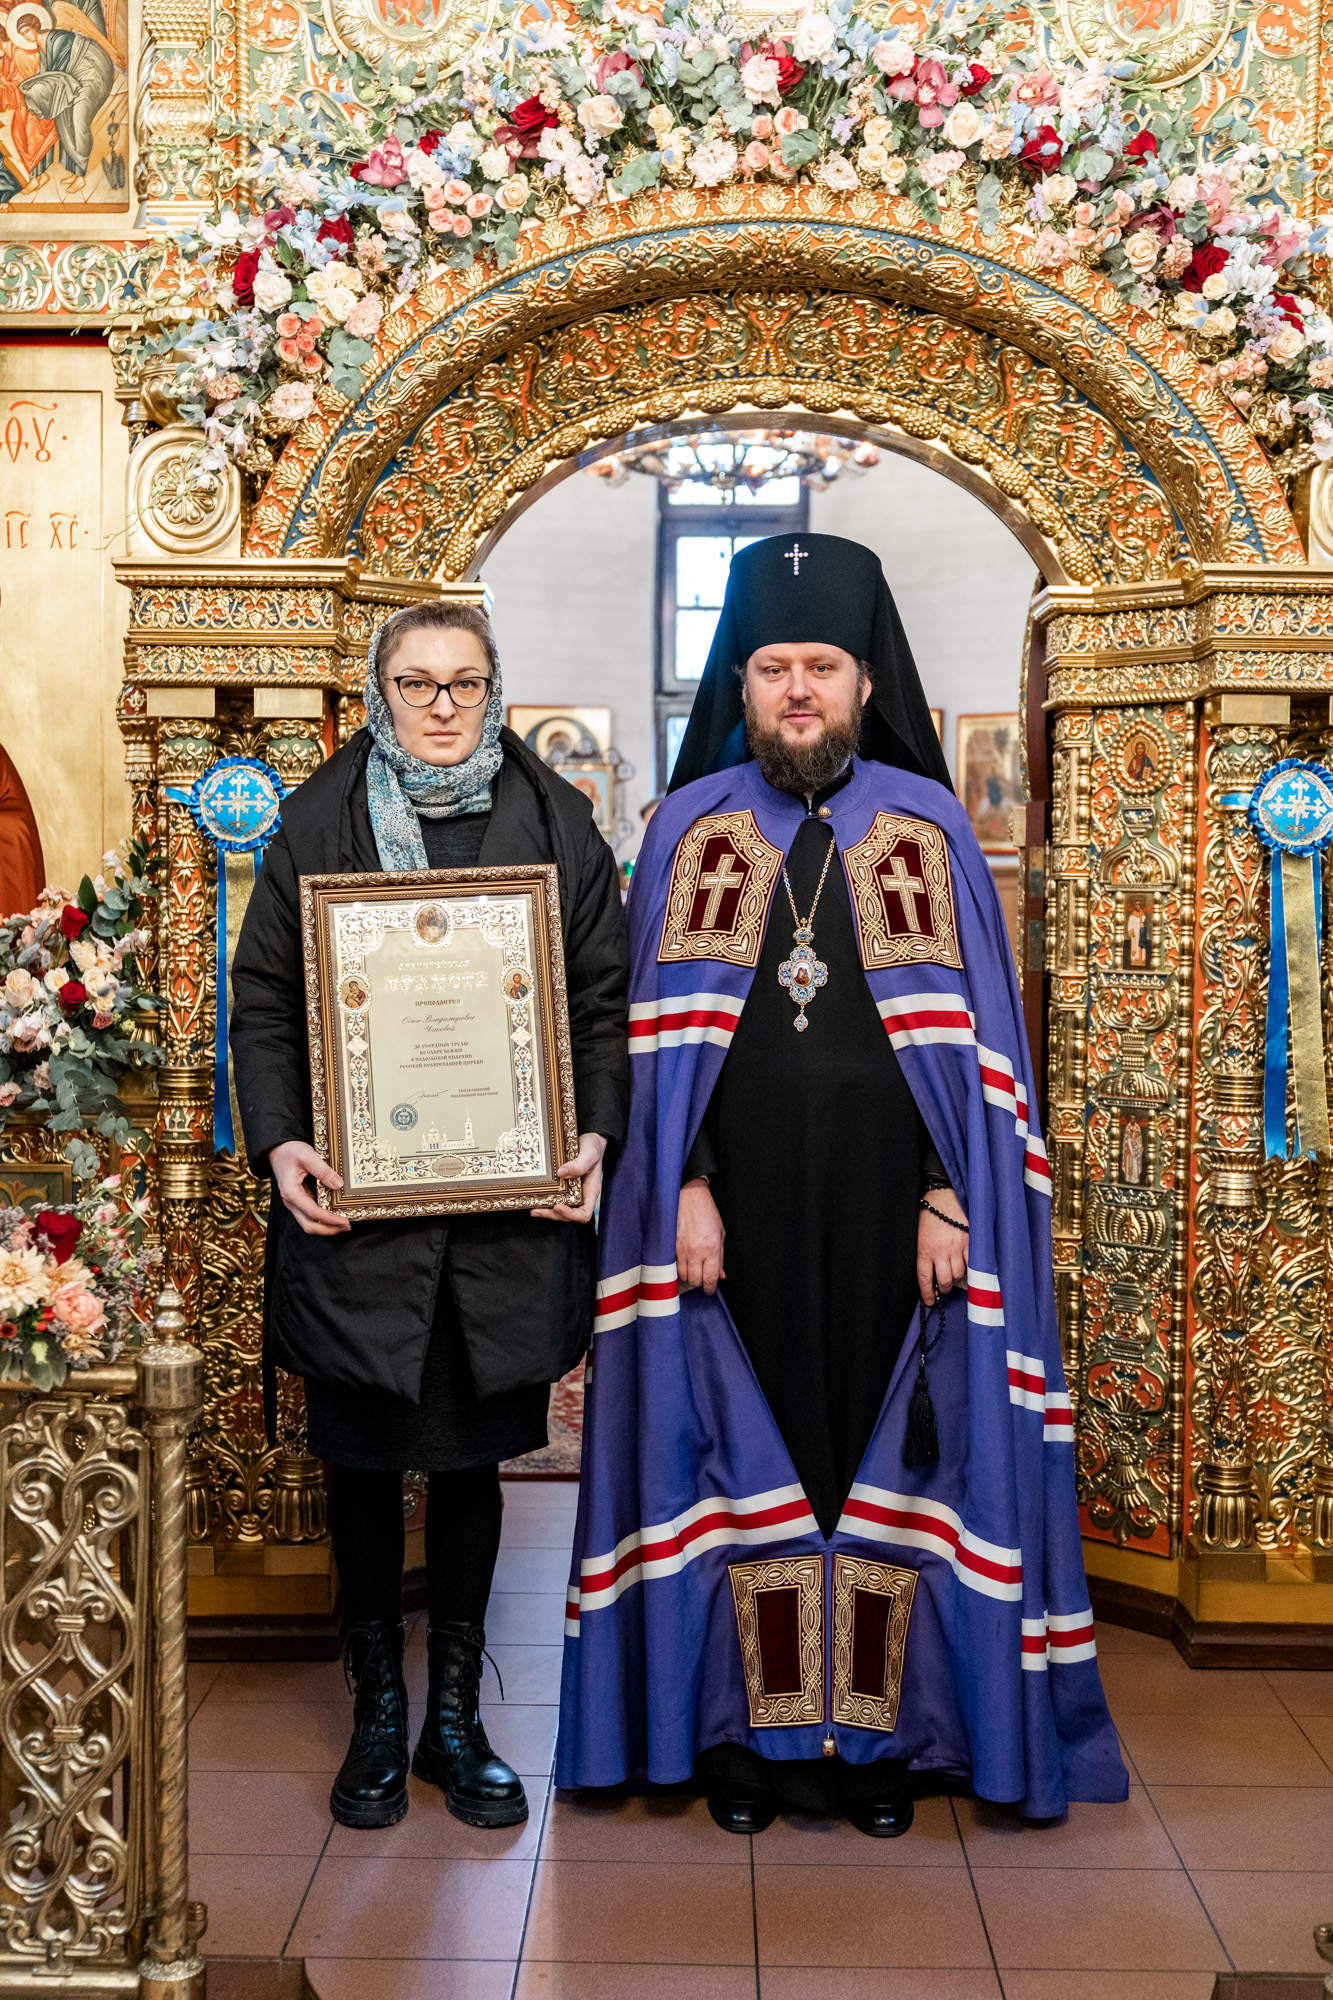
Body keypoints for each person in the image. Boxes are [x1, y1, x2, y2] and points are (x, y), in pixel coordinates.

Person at [556, 534, 1126, 1835]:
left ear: (866, 681)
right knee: (739, 1451)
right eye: (774, 668)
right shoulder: (687, 827)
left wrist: (947, 1195)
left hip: (892, 1218)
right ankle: (747, 1748)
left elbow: (977, 1050)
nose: (798, 690)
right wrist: (684, 1184)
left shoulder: (925, 824)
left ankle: (876, 1749)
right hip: (732, 1217)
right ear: (741, 683)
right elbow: (651, 1051)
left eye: (821, 666)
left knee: (880, 1451)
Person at [230, 600, 629, 1834]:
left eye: (465, 681)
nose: (443, 705)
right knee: (361, 1459)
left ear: (494, 688)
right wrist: (282, 1139)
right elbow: (264, 996)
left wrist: (592, 1133)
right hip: (361, 1209)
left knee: (467, 1461)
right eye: (417, 682)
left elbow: (601, 998)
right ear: (379, 691)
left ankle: (454, 1717)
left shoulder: (556, 819)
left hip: (503, 1215)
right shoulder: (316, 820)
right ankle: (377, 1712)